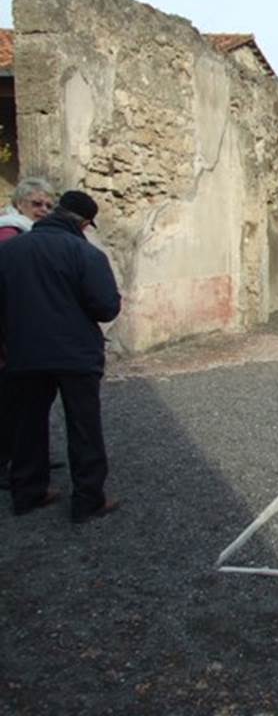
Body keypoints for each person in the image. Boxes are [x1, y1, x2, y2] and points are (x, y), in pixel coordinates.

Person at [0, 190, 121, 521]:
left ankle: (27, 492)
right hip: (75, 354)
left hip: (25, 352)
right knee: (83, 427)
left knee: (27, 424)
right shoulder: (86, 254)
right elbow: (106, 306)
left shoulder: (9, 251)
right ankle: (88, 499)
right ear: (84, 223)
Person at [0, 178, 56, 489]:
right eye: (36, 204)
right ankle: (10, 465)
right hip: (10, 334)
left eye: (48, 205)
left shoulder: (28, 234)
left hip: (21, 331)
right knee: (11, 404)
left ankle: (28, 457)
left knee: (25, 403)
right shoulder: (9, 235)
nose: (43, 210)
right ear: (19, 203)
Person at [0, 177, 55, 241]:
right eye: (37, 203)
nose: (44, 209)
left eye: (49, 206)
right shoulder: (8, 231)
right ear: (20, 203)